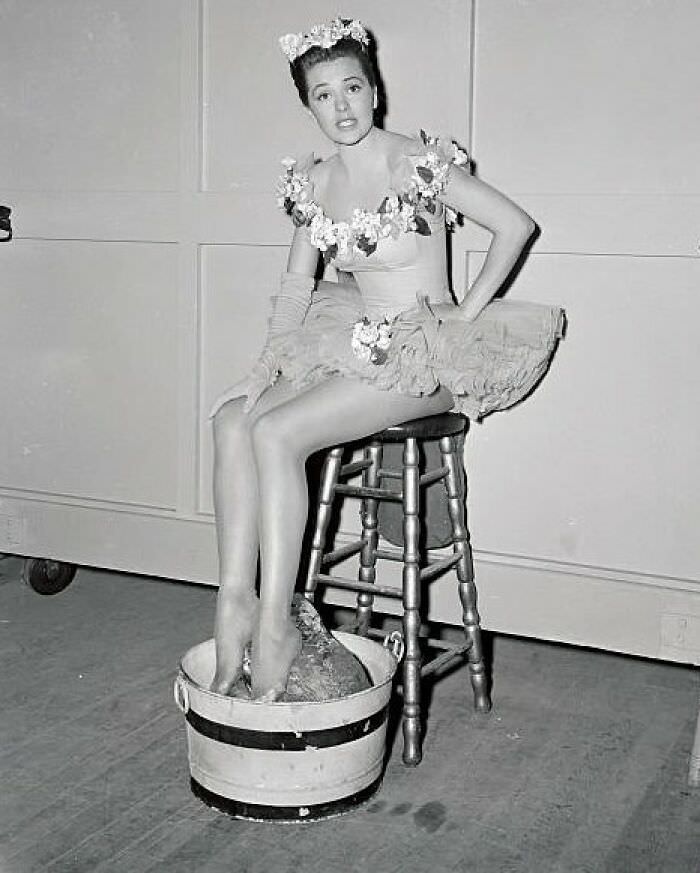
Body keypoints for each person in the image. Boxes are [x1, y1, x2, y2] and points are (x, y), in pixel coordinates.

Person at [209, 17, 563, 700]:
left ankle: (278, 623)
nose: (340, 106)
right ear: (307, 104)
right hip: (353, 337)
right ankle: (235, 605)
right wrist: (262, 369)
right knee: (232, 418)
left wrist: (464, 311)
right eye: (322, 95)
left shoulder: (417, 165)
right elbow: (295, 288)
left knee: (276, 434)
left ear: (375, 90)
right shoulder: (314, 182)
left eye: (352, 87)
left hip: (424, 357)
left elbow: (515, 226)